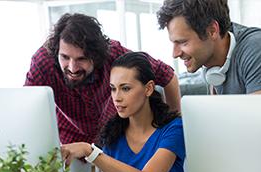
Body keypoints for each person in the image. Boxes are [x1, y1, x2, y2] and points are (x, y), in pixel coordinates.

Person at [61, 52, 192, 172]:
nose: (117, 98)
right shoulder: (112, 136)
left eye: (126, 88)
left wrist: (90, 151)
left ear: (148, 88)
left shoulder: (173, 129)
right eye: (113, 89)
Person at [24, 13, 181, 145]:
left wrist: (174, 128)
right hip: (69, 136)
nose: (72, 68)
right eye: (64, 57)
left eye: (82, 59)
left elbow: (167, 75)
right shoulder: (43, 61)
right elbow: (29, 107)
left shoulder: (115, 54)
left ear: (96, 55)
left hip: (113, 132)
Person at [157, 0, 261, 94]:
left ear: (212, 31)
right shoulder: (212, 65)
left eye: (183, 42)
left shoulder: (259, 48)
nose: (175, 54)